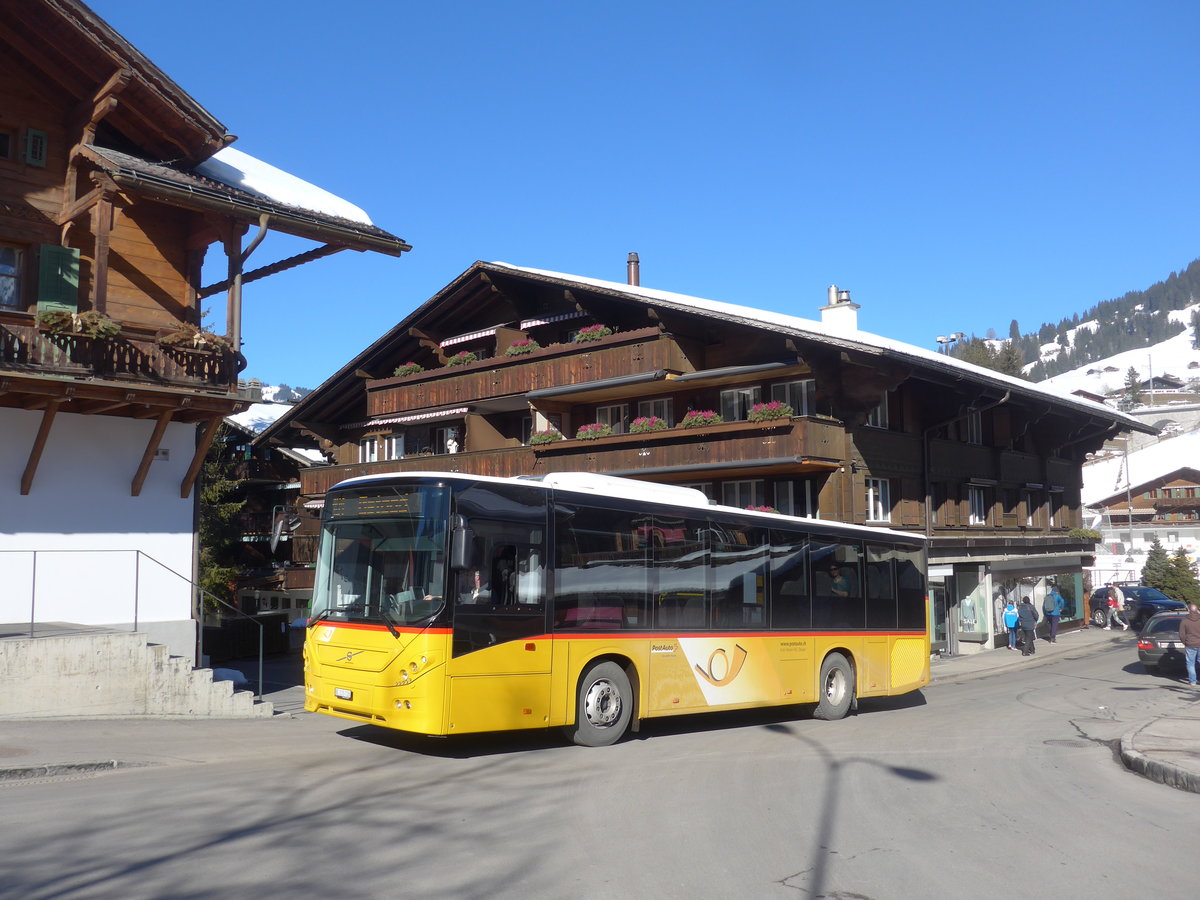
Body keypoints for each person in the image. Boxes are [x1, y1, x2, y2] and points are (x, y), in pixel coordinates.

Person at [1180, 601, 1200, 687]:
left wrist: (1185, 642)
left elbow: (1181, 634)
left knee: (1190, 663)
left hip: (1190, 645)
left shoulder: (1184, 621)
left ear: (1188, 610)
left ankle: (1193, 681)